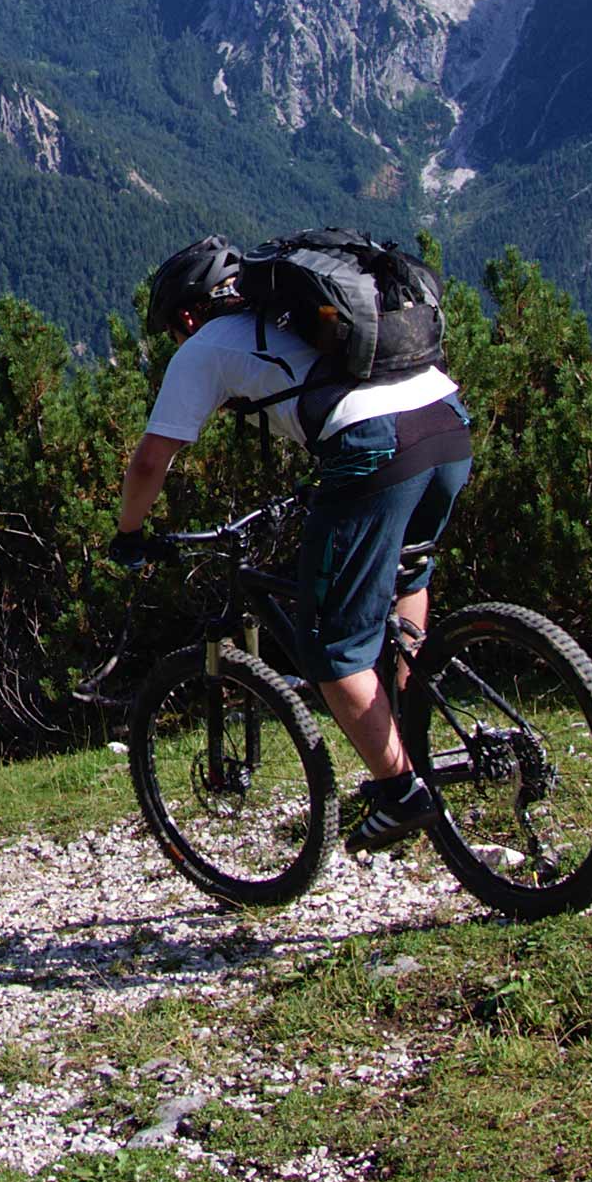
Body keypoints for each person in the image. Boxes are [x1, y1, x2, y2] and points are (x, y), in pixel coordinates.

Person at [109, 237, 474, 853]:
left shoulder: (205, 347)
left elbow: (149, 463)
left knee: (331, 645)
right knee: (408, 576)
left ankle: (400, 791)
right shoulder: (299, 318)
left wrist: (129, 535)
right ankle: (414, 730)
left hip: (375, 445)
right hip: (445, 420)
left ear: (189, 315)